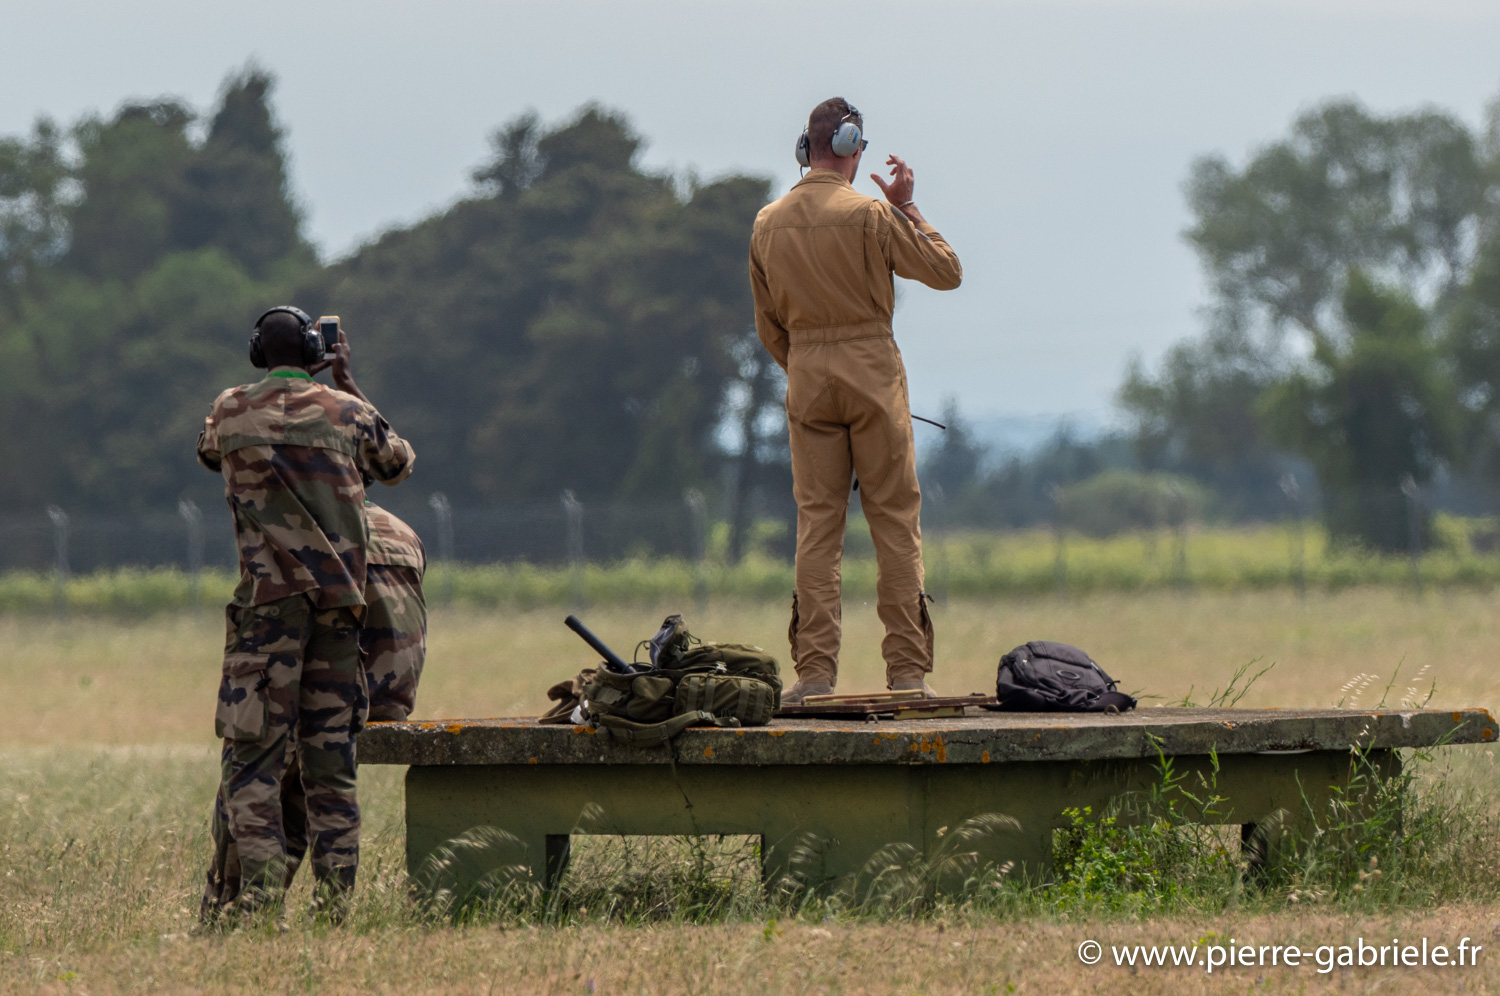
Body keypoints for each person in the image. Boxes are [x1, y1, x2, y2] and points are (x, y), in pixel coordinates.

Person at [196, 308, 415, 922]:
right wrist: (344, 384)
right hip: (338, 617)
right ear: (319, 349)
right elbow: (397, 463)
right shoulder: (347, 412)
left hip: (266, 616)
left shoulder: (231, 408)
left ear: (255, 354)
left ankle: (260, 903)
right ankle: (335, 910)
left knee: (253, 763)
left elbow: (209, 453)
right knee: (331, 770)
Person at [748, 98, 963, 704]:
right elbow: (946, 271)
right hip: (871, 368)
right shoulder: (871, 214)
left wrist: (810, 368)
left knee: (818, 527)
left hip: (806, 374)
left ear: (804, 148)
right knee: (894, 520)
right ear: (849, 146)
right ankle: (907, 675)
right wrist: (907, 205)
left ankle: (813, 676)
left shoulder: (767, 223)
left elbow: (769, 327)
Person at [199, 500, 427, 921]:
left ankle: (228, 914)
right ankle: (313, 909)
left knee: (249, 774)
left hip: (338, 697)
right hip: (391, 698)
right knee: (309, 782)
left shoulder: (306, 532)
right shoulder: (403, 531)